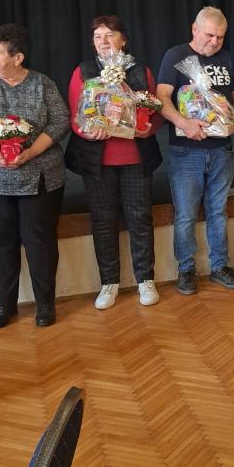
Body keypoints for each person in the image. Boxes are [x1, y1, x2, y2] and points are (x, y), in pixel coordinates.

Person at [65, 15, 163, 310]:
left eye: (109, 35)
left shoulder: (140, 71)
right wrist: (88, 131)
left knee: (140, 218)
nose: (103, 41)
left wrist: (148, 129)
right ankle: (109, 282)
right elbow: (75, 118)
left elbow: (155, 112)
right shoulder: (83, 72)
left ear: (124, 39)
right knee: (103, 221)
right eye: (98, 37)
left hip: (135, 158)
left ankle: (145, 279)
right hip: (98, 162)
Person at [157, 7, 234, 295]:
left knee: (218, 212)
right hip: (187, 151)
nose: (214, 42)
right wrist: (185, 123)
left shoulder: (227, 58)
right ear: (194, 29)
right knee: (185, 215)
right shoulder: (175, 55)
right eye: (209, 35)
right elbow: (161, 98)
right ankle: (186, 269)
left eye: (220, 37)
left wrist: (232, 118)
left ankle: (220, 266)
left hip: (221, 149)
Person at [0, 23, 69, 328]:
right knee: (0, 242)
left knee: (40, 242)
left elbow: (60, 121)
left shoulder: (42, 84)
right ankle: (5, 305)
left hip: (40, 177)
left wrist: (30, 152)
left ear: (17, 57)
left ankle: (45, 304)